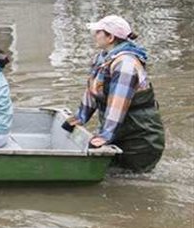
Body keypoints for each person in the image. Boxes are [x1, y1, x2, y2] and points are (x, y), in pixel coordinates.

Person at [63, 15, 165, 172]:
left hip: (140, 136)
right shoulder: (103, 58)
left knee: (132, 180)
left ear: (110, 37)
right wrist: (79, 118)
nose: (94, 35)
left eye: (98, 32)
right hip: (121, 130)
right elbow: (92, 90)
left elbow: (118, 105)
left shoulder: (126, 64)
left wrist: (104, 136)